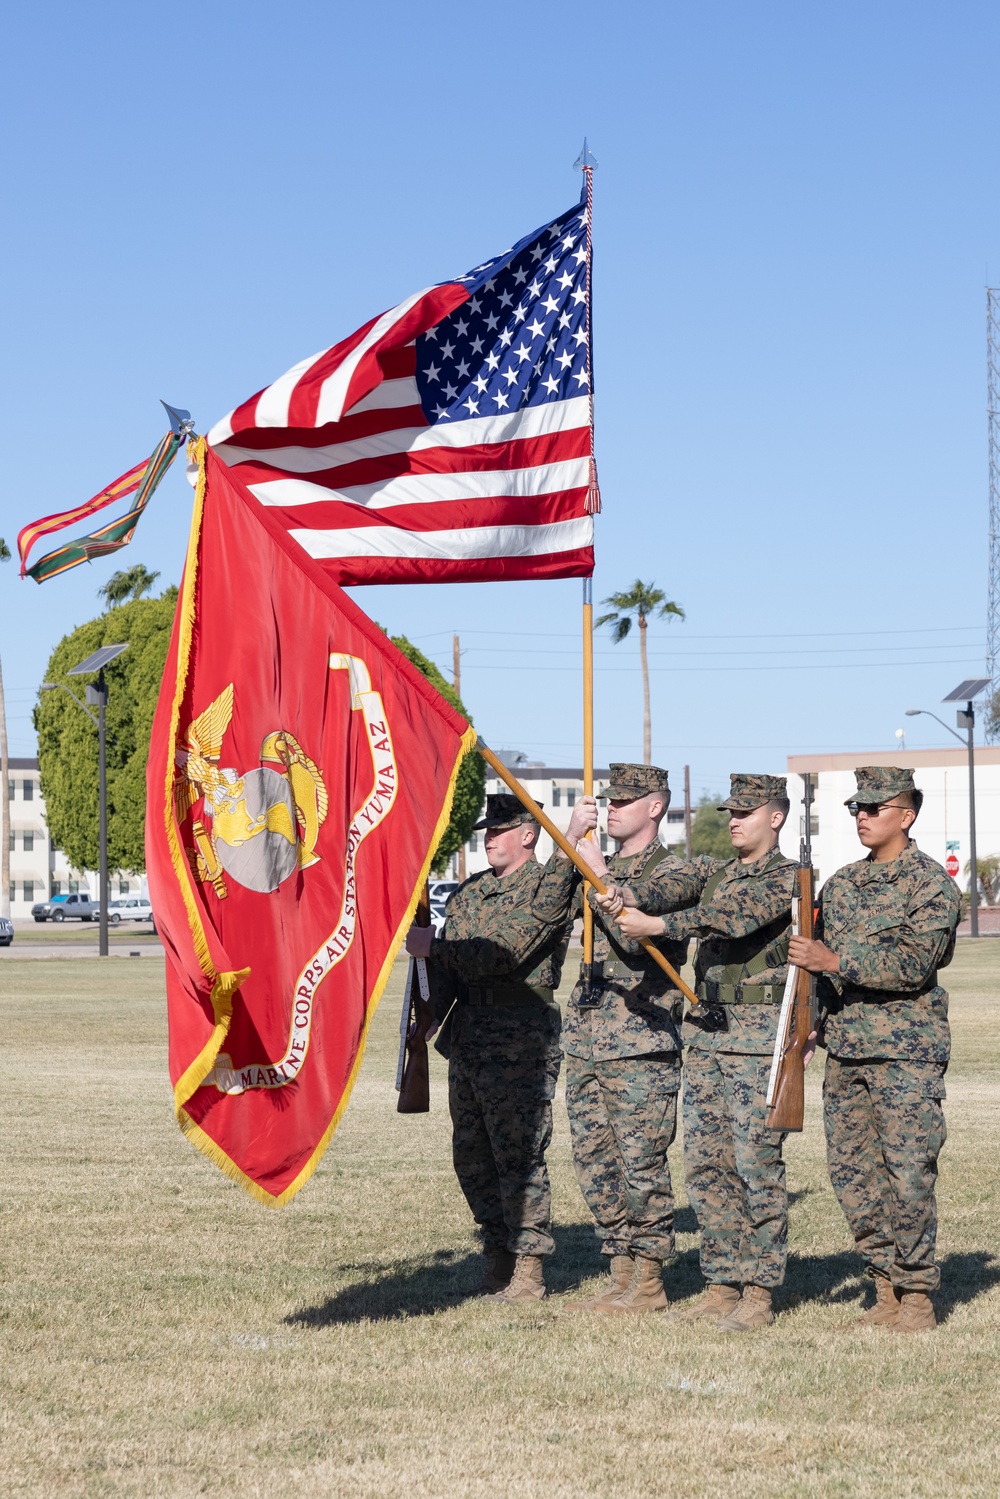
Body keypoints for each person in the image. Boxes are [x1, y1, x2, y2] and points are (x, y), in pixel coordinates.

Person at [596, 773, 797, 1332]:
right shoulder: (714, 872)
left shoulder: (789, 878)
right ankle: (721, 1280)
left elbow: (734, 920)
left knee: (755, 1163)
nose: (733, 820)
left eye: (747, 812)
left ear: (775, 818)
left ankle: (758, 1290)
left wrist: (658, 924)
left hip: (758, 1038)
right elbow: (668, 886)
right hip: (707, 1032)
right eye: (731, 812)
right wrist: (628, 894)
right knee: (707, 1165)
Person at [788, 766, 960, 1334]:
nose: (862, 817)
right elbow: (819, 970)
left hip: (906, 1053)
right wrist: (813, 1022)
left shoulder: (929, 884)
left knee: (908, 1173)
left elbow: (915, 965)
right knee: (853, 1175)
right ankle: (884, 1284)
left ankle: (916, 1295)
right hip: (847, 1051)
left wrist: (833, 962)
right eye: (856, 809)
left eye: (873, 808)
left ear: (906, 816)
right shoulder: (839, 885)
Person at [532, 764, 690, 1314]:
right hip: (588, 1036)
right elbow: (541, 910)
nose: (613, 808)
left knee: (641, 1162)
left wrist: (600, 876)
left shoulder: (674, 870)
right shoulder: (589, 856)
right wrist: (568, 841)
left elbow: (636, 937)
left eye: (627, 800)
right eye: (609, 800)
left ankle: (649, 1279)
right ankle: (620, 1269)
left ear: (656, 806)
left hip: (639, 1038)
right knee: (594, 1161)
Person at [405, 793, 572, 1304]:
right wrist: (431, 1008)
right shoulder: (469, 893)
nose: (489, 838)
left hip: (521, 1036)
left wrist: (434, 947)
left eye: (500, 830)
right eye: (486, 830)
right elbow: (454, 969)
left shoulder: (546, 886)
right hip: (471, 1037)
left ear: (528, 833)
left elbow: (502, 954)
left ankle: (528, 1270)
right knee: (471, 1156)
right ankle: (497, 1257)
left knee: (519, 1156)